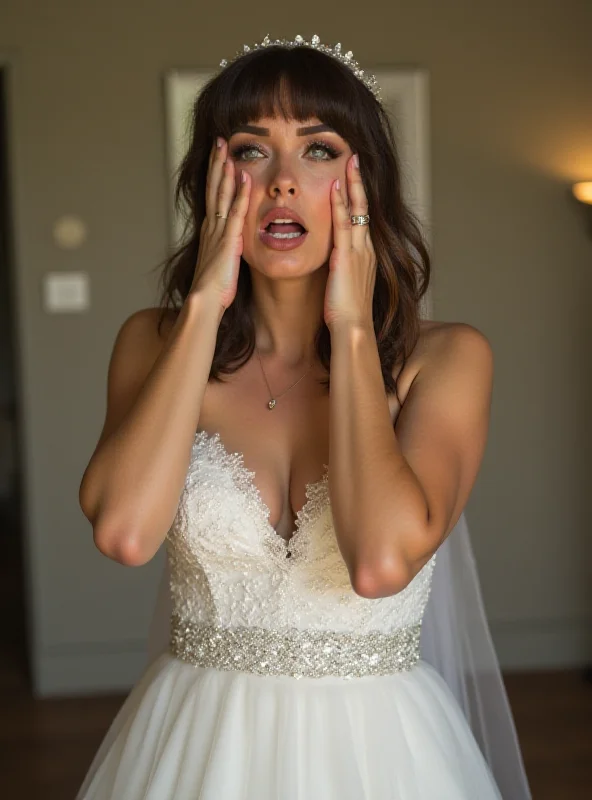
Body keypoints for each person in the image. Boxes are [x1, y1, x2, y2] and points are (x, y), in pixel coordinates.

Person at [76, 34, 531, 799]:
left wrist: (353, 329)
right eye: (253, 151)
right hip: (195, 746)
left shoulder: (447, 359)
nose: (283, 182)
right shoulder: (150, 342)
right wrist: (202, 309)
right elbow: (124, 534)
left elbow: (380, 564)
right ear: (213, 181)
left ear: (365, 186)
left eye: (319, 151)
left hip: (381, 752)